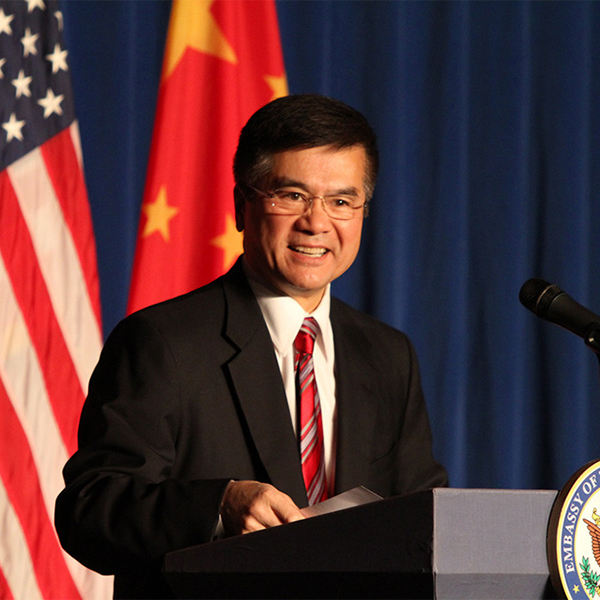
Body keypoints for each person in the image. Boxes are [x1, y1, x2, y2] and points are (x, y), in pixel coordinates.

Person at [55, 94, 447, 599]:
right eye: (291, 195)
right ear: (242, 205)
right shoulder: (162, 342)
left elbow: (425, 518)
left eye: (342, 201)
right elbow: (90, 511)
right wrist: (217, 505)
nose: (316, 222)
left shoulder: (389, 355)